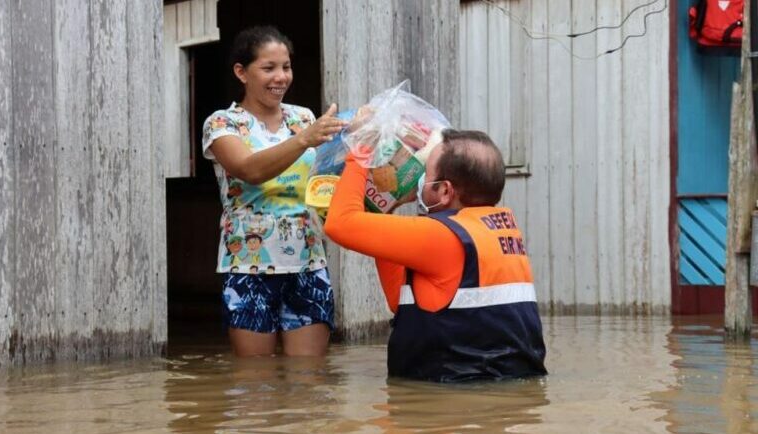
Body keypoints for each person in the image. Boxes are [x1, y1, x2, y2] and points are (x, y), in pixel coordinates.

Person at [324, 129, 547, 382]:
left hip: (451, 396)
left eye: (426, 175)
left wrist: (360, 151)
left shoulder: (441, 236)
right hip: (504, 388)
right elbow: (405, 304)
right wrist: (389, 204)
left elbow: (339, 223)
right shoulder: (499, 230)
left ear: (444, 191)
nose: (419, 180)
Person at [202, 25, 347, 357]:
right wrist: (304, 140)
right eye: (268, 68)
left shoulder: (303, 118)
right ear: (241, 72)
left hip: (307, 261)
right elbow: (250, 170)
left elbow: (324, 183)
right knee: (254, 387)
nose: (280, 77)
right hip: (247, 265)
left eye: (286, 67)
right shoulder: (223, 124)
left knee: (309, 385)